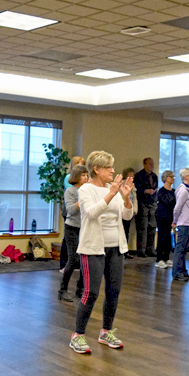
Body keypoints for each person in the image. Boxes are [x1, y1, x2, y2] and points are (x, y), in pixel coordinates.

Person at [69, 151, 133, 354]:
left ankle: (106, 332)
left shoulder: (111, 189)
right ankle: (77, 336)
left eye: (113, 167)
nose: (113, 171)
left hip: (116, 248)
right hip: (93, 248)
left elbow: (127, 215)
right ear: (96, 169)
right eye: (109, 167)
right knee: (91, 292)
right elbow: (91, 213)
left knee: (114, 292)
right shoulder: (86, 189)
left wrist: (126, 198)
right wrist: (112, 194)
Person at [58, 164, 87, 302]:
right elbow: (70, 209)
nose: (86, 177)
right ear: (76, 176)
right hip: (72, 227)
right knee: (73, 259)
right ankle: (62, 290)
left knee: (84, 259)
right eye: (83, 175)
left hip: (85, 228)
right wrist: (81, 199)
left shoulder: (88, 190)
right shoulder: (70, 191)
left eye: (87, 175)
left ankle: (80, 289)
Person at [59, 155, 86, 270]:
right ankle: (64, 264)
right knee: (68, 241)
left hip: (81, 218)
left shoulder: (86, 187)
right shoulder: (68, 179)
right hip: (70, 215)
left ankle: (76, 265)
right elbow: (72, 200)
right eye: (79, 164)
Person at [172, 168, 189, 282]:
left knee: (184, 249)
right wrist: (175, 221)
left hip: (188, 223)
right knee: (180, 248)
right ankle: (177, 272)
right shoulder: (183, 190)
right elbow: (177, 208)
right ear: (186, 177)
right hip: (184, 223)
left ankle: (183, 271)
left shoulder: (187, 190)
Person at [133, 157, 157, 257]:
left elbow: (155, 187)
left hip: (152, 202)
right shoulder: (139, 175)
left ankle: (150, 249)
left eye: (153, 164)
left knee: (152, 227)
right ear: (145, 165)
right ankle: (141, 250)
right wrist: (146, 191)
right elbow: (137, 190)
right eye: (150, 164)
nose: (152, 166)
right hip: (143, 203)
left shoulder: (154, 176)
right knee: (143, 227)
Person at [155, 170, 175, 270]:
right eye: (171, 177)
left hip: (170, 217)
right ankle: (159, 259)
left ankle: (166, 258)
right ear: (166, 178)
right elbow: (168, 202)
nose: (173, 178)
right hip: (162, 216)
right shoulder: (161, 191)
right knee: (162, 237)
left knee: (168, 238)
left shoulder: (174, 191)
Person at [120, 167, 138, 259]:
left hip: (129, 211)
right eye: (130, 174)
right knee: (122, 232)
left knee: (127, 231)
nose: (132, 176)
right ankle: (121, 252)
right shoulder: (121, 184)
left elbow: (134, 198)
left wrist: (134, 210)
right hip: (122, 211)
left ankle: (125, 251)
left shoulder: (132, 185)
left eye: (133, 175)